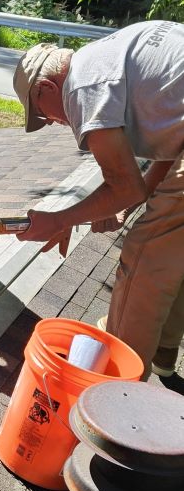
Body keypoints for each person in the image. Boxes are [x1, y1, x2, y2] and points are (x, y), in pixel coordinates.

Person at [12, 20, 184, 393]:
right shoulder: (108, 54)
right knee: (172, 246)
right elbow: (168, 152)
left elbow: (124, 185)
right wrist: (123, 205)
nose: (53, 122)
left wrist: (59, 220)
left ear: (46, 87)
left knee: (144, 254)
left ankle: (114, 394)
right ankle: (163, 349)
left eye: (43, 114)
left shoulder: (83, 86)